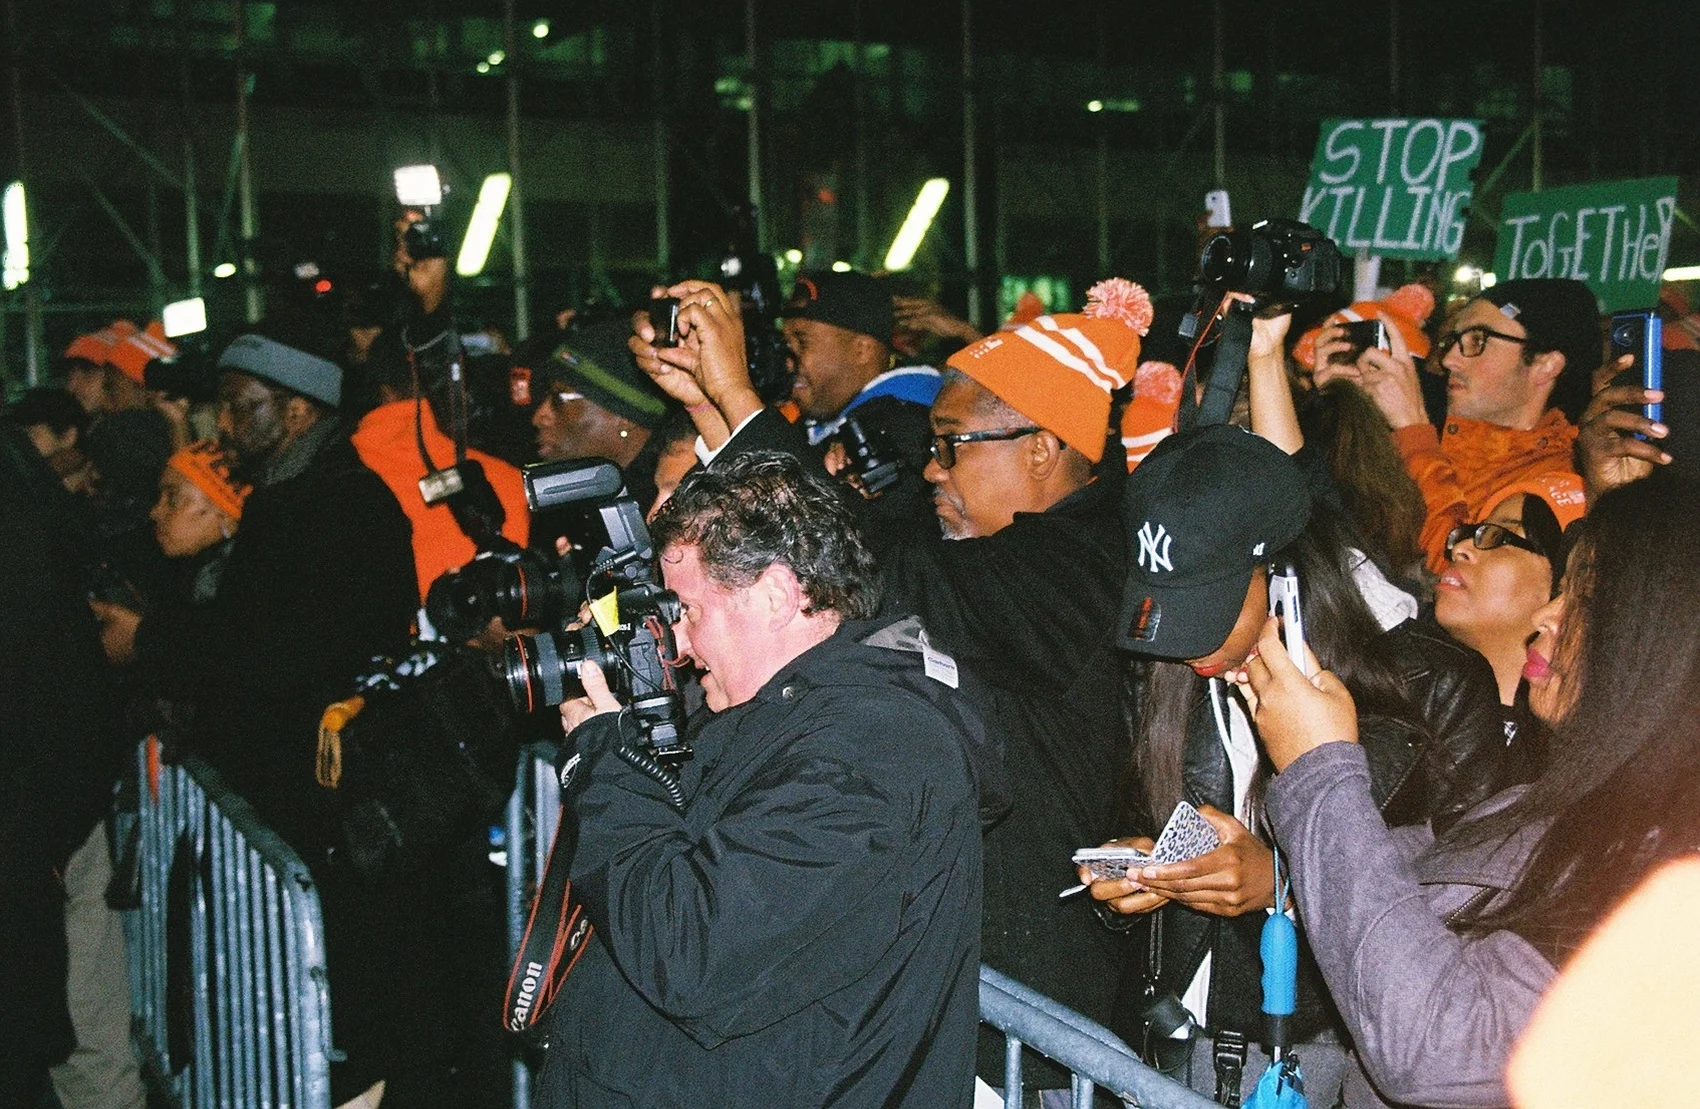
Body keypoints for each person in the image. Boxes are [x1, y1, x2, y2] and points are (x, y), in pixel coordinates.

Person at [629, 275, 1151, 1088]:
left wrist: (736, 393)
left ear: (1043, 448)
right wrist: (710, 408)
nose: (933, 471)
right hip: (968, 984)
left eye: (953, 444)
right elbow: (847, 541)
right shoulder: (995, 543)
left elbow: (869, 562)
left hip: (1036, 1009)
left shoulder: (1079, 563)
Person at [536, 451, 995, 1108]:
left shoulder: (873, 753)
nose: (681, 644)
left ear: (778, 595)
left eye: (689, 610)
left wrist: (603, 761)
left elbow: (691, 953)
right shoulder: (771, 709)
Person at [1236, 471, 1700, 1108]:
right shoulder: (1552, 806)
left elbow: (1441, 1047)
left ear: (1661, 638)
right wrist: (1267, 875)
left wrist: (1320, 768)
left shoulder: (1665, 869)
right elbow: (1406, 877)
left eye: (1588, 598)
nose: (1548, 615)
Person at [1092, 424, 1509, 1103]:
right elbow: (1130, 827)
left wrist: (1282, 885)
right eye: (1165, 606)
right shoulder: (1164, 673)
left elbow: (1470, 926)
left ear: (1284, 577)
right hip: (1169, 1056)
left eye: (1209, 604)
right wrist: (1128, 875)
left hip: (1339, 1061)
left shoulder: (1438, 690)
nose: (1182, 638)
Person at [1315, 277, 1599, 573]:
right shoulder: (1434, 430)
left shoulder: (1565, 477)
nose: (1450, 359)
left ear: (1546, 365)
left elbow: (1456, 572)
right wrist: (1345, 408)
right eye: (1452, 341)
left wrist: (1412, 430)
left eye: (1478, 340)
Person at [1432, 475, 1584, 781]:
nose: (1459, 547)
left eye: (1497, 536)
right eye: (1471, 532)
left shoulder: (1571, 767)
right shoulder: (1399, 684)